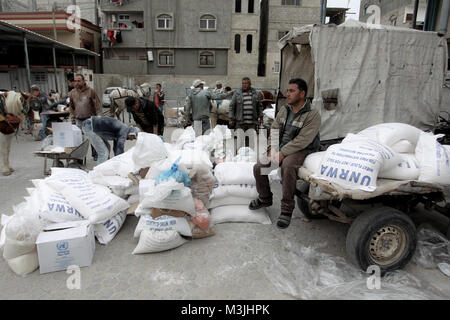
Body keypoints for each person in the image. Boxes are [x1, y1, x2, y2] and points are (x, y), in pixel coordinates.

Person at [249, 78, 321, 229]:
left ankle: (287, 210)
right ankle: (265, 198)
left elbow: (303, 140)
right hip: (282, 148)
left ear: (302, 94)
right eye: (287, 91)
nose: (287, 94)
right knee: (259, 167)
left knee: (288, 166)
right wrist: (272, 149)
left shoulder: (312, 114)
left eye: (291, 91)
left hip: (302, 149)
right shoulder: (285, 109)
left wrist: (282, 153)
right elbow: (274, 130)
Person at [68, 73, 102, 160]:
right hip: (78, 119)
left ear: (83, 81)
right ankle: (79, 157)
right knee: (78, 139)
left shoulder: (91, 91)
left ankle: (95, 154)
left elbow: (97, 105)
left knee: (93, 137)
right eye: (75, 81)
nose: (77, 83)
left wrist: (98, 117)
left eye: (79, 81)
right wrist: (72, 118)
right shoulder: (72, 93)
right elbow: (71, 107)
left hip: (90, 119)